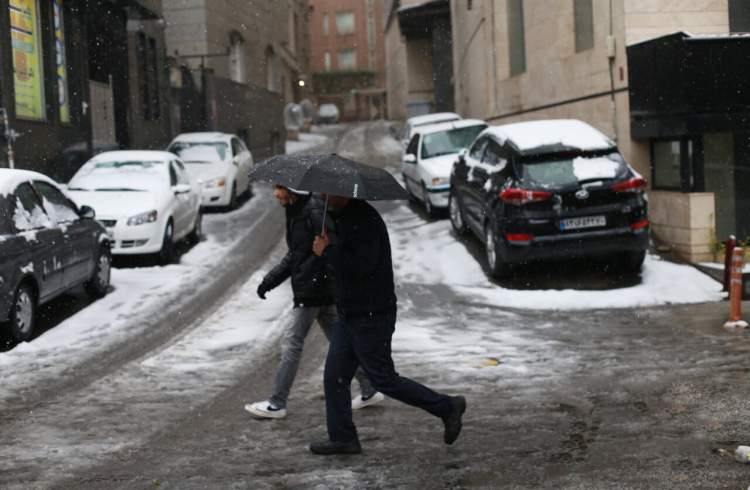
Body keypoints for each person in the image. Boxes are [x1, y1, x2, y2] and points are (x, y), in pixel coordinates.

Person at [310, 195, 466, 455]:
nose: (324, 197)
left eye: (328, 192)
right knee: (335, 377)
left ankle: (447, 407)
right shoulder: (341, 218)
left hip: (371, 314)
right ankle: (343, 438)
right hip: (350, 313)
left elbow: (361, 267)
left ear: (344, 192)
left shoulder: (365, 220)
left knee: (383, 379)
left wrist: (328, 250)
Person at [244, 185, 383, 419]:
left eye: (279, 188)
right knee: (340, 342)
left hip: (313, 290)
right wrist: (269, 281)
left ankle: (277, 403)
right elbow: (297, 254)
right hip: (318, 289)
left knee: (292, 344)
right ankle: (369, 388)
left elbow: (331, 247)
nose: (275, 194)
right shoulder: (299, 211)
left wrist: (327, 277)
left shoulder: (313, 212)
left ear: (291, 191)